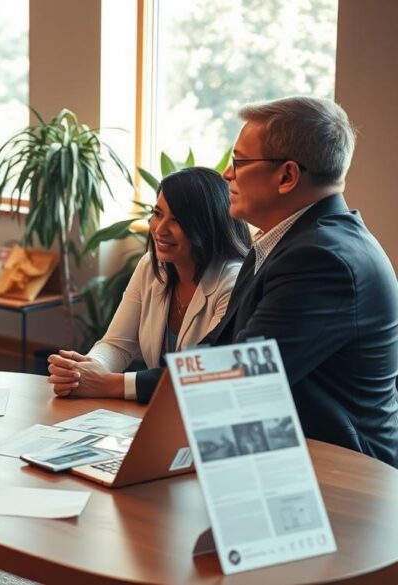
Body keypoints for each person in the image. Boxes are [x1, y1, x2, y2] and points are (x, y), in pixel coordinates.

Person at [143, 96, 398, 467]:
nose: (227, 175)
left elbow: (240, 375)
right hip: (291, 451)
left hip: (345, 473)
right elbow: (220, 347)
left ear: (287, 176)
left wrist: (123, 387)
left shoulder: (322, 259)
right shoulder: (283, 242)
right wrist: (120, 385)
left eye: (238, 162)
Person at [48, 167, 251, 400]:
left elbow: (203, 375)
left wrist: (107, 383)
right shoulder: (152, 266)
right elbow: (117, 345)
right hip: (159, 409)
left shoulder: (233, 281)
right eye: (157, 213)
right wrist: (85, 370)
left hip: (207, 410)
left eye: (177, 220)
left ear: (206, 225)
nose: (160, 229)